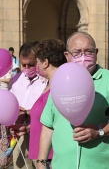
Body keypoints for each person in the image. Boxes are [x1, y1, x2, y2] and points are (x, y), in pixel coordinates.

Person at [37, 31, 109, 169]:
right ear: (67, 55)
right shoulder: (60, 80)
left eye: (88, 51)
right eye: (77, 52)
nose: (83, 57)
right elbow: (48, 124)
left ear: (96, 52)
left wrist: (99, 131)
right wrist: (41, 162)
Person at [28, 38, 67, 168]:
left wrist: (42, 161)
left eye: (37, 61)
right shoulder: (48, 85)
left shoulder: (59, 87)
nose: (36, 66)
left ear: (45, 62)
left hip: (50, 158)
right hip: (41, 157)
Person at [9, 42, 47, 169]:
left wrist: (29, 112)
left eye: (30, 65)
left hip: (41, 133)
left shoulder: (47, 80)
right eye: (23, 64)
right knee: (20, 166)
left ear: (38, 60)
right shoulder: (16, 79)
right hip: (19, 134)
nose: (26, 68)